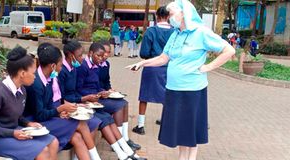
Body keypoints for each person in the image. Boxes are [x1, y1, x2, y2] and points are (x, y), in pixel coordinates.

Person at [126, 1, 235, 160]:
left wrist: (208, 67)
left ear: (183, 13)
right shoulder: (175, 34)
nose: (169, 17)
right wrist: (142, 63)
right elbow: (164, 58)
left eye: (171, 14)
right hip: (173, 89)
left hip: (193, 90)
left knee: (190, 130)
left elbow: (229, 50)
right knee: (181, 131)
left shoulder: (201, 33)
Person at [59, 40, 146, 160]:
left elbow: (95, 85)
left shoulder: (74, 68)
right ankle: (121, 153)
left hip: (85, 101)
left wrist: (102, 92)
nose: (82, 58)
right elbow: (69, 94)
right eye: (80, 55)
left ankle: (125, 152)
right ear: (70, 55)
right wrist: (85, 99)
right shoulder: (68, 70)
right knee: (98, 120)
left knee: (107, 117)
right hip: (77, 103)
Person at [0, 47, 59, 160]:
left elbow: (16, 115)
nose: (35, 76)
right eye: (33, 73)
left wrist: (28, 123)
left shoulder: (22, 90)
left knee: (53, 142)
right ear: (22, 73)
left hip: (14, 131)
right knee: (42, 150)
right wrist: (12, 133)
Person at [24, 44, 102, 160]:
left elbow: (50, 103)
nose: (61, 68)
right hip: (36, 122)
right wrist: (59, 110)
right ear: (53, 66)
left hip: (48, 116)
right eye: (60, 65)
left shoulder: (48, 77)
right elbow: (39, 115)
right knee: (81, 123)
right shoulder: (36, 84)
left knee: (77, 137)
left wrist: (60, 112)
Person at [76, 43, 141, 151]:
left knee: (124, 103)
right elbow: (79, 88)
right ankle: (120, 142)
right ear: (91, 53)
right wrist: (97, 94)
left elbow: (102, 83)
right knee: (118, 106)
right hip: (90, 98)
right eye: (101, 55)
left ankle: (124, 138)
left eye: (107, 53)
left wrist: (106, 91)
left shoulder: (100, 65)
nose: (104, 56)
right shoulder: (84, 67)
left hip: (97, 95)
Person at [132, 6, 174, 135]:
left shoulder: (150, 31)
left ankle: (140, 125)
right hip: (169, 68)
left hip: (151, 67)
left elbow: (144, 52)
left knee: (144, 95)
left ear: (156, 16)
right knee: (167, 95)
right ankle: (166, 122)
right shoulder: (175, 32)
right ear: (168, 17)